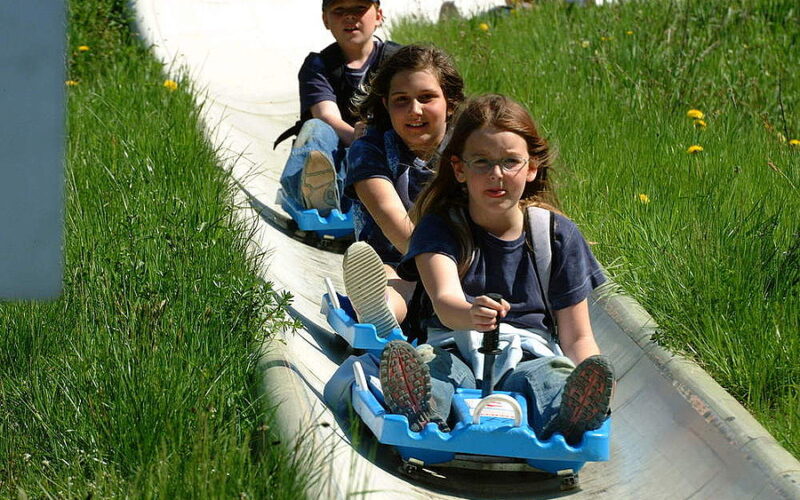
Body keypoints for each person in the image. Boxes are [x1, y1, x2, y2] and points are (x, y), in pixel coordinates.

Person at [378, 94, 615, 444]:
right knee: (433, 368)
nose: (497, 175)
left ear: (531, 167)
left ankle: (567, 418)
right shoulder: (440, 227)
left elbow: (576, 336)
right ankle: (422, 408)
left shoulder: (556, 235)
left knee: (552, 377)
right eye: (482, 162)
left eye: (510, 162)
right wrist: (471, 313)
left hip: (530, 356)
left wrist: (590, 375)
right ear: (459, 168)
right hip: (455, 345)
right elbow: (445, 300)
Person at [340, 44, 465, 336]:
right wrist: (437, 274)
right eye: (401, 100)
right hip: (399, 259)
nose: (414, 110)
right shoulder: (370, 150)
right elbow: (398, 228)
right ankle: (379, 311)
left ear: (451, 101)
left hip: (463, 261)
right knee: (391, 282)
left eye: (427, 98)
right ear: (385, 104)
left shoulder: (469, 149)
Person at [276, 0, 400, 216]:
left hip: (382, 152)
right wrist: (356, 136)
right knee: (315, 128)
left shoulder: (398, 61)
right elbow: (325, 115)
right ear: (326, 20)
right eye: (339, 10)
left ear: (378, 15)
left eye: (359, 9)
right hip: (334, 151)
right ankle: (314, 191)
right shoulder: (318, 65)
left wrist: (370, 138)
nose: (349, 17)